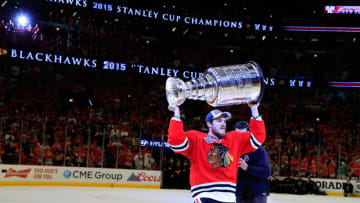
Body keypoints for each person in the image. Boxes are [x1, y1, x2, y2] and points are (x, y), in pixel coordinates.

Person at [167, 102, 266, 203]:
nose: (223, 124)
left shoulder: (234, 139)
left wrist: (254, 108)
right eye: (218, 121)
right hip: (205, 195)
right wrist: (176, 114)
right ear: (209, 124)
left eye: (224, 121)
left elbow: (258, 138)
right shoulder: (197, 139)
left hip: (229, 198)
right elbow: (176, 143)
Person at [234, 121, 271, 203]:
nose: (240, 137)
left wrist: (248, 168)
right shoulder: (232, 150)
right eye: (238, 134)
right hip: (240, 193)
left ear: (249, 133)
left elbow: (266, 172)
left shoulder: (259, 150)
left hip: (258, 193)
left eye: (243, 134)